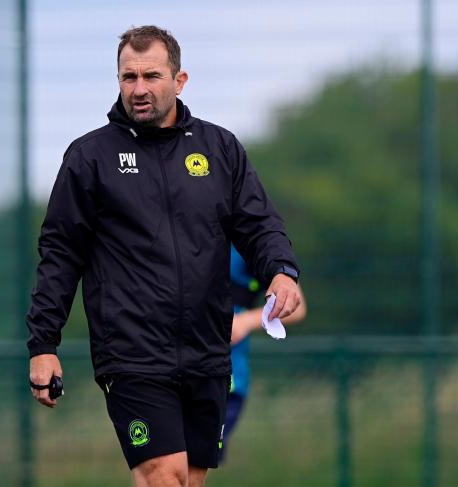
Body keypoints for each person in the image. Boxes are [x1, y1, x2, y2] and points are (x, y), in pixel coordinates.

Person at [26, 25, 302, 487]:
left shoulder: (219, 149)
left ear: (180, 79)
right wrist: (43, 345)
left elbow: (258, 224)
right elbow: (59, 254)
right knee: (163, 476)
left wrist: (282, 271)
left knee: (190, 480)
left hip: (207, 349)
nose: (139, 89)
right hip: (132, 352)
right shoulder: (90, 158)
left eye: (151, 76)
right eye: (128, 77)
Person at [219, 246, 307, 464]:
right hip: (165, 370)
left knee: (190, 469)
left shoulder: (249, 238)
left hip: (225, 380)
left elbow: (297, 306)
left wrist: (245, 321)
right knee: (159, 465)